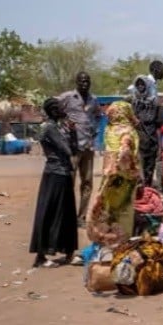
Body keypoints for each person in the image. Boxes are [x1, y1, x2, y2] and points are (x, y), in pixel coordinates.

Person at [29, 98, 79, 268]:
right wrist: (70, 132)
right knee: (51, 212)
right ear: (52, 111)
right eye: (58, 108)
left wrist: (72, 131)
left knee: (66, 213)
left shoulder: (58, 127)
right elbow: (68, 150)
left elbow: (73, 148)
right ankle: (41, 256)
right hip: (56, 174)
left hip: (62, 173)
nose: (62, 110)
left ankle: (69, 252)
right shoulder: (50, 128)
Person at [87, 101, 140, 250]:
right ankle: (120, 242)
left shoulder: (109, 129)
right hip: (123, 178)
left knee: (106, 206)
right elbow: (125, 152)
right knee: (123, 209)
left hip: (108, 175)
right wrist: (128, 169)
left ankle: (105, 239)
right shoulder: (127, 131)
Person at [56, 71, 100, 227]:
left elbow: (98, 116)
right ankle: (66, 216)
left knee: (87, 183)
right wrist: (63, 124)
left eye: (87, 81)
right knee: (69, 182)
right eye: (81, 81)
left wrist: (94, 130)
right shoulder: (67, 97)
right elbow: (51, 107)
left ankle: (81, 217)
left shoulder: (94, 100)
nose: (84, 84)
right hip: (72, 148)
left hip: (88, 147)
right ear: (76, 82)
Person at [129, 74, 162, 188]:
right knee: (140, 172)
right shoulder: (133, 103)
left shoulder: (155, 103)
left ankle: (147, 198)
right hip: (139, 143)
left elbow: (159, 126)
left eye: (142, 84)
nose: (140, 86)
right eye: (138, 84)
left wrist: (160, 147)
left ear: (147, 86)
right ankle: (139, 199)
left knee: (149, 171)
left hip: (152, 142)